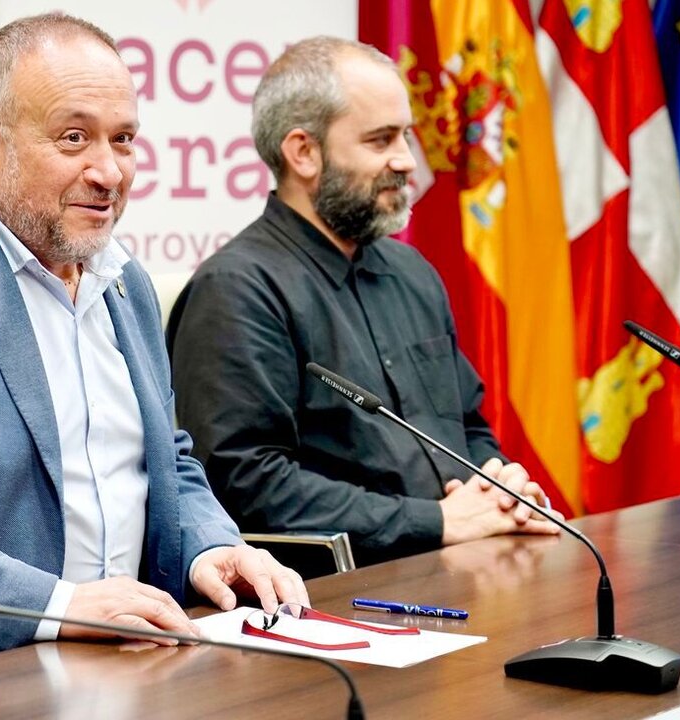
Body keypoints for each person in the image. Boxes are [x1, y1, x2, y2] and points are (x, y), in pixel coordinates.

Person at [0, 12, 308, 656]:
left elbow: (165, 456)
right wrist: (57, 606)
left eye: (123, 140)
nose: (110, 172)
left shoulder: (124, 281)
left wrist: (212, 545)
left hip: (141, 662)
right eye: (74, 139)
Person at [165, 36, 561, 565]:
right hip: (343, 594)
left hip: (465, 561)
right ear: (303, 152)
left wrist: (495, 486)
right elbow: (243, 484)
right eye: (380, 141)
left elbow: (466, 425)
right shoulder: (237, 290)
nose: (406, 162)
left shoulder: (413, 272)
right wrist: (437, 521)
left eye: (406, 137)